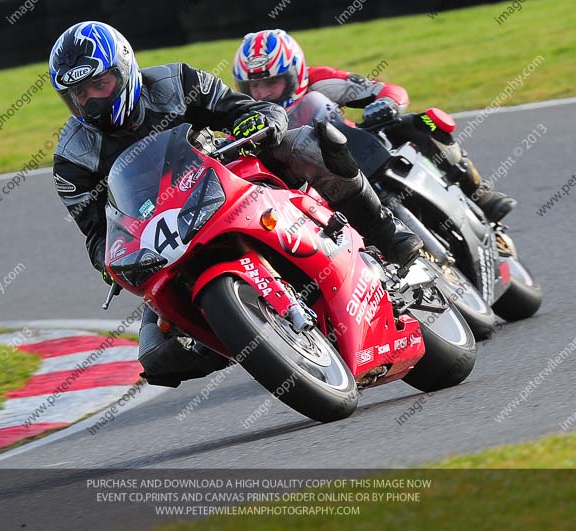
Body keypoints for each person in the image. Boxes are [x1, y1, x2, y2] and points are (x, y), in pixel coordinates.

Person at [49, 21, 422, 387]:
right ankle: (231, 336)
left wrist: (260, 122)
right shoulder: (71, 159)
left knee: (303, 143)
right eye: (79, 94)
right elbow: (97, 231)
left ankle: (386, 232)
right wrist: (109, 261)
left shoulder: (176, 82)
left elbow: (247, 109)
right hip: (163, 234)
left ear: (125, 69)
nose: (91, 100)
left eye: (100, 85)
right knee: (155, 355)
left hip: (224, 176)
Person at [233, 29, 516, 222]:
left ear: (296, 73)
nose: (263, 94)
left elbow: (386, 89)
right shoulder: (247, 117)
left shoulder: (319, 80)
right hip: (315, 183)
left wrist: (387, 105)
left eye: (273, 82)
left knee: (423, 121)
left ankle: (478, 192)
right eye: (254, 86)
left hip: (357, 147)